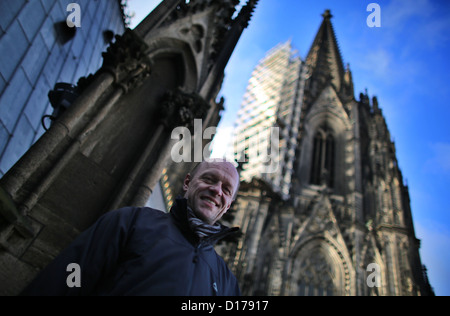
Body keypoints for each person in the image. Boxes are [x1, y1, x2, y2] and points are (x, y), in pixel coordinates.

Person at [21, 159, 241, 296]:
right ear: (187, 183)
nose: (216, 190)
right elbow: (71, 274)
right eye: (209, 179)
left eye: (226, 189)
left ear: (228, 204)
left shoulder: (227, 282)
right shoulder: (132, 222)